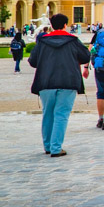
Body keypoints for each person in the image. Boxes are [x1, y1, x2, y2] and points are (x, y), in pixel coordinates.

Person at [29, 13, 90, 158]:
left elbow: (32, 61)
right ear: (65, 25)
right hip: (67, 81)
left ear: (51, 25)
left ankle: (48, 146)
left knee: (48, 113)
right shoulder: (73, 40)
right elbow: (86, 56)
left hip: (46, 82)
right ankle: (56, 147)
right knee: (61, 114)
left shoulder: (42, 41)